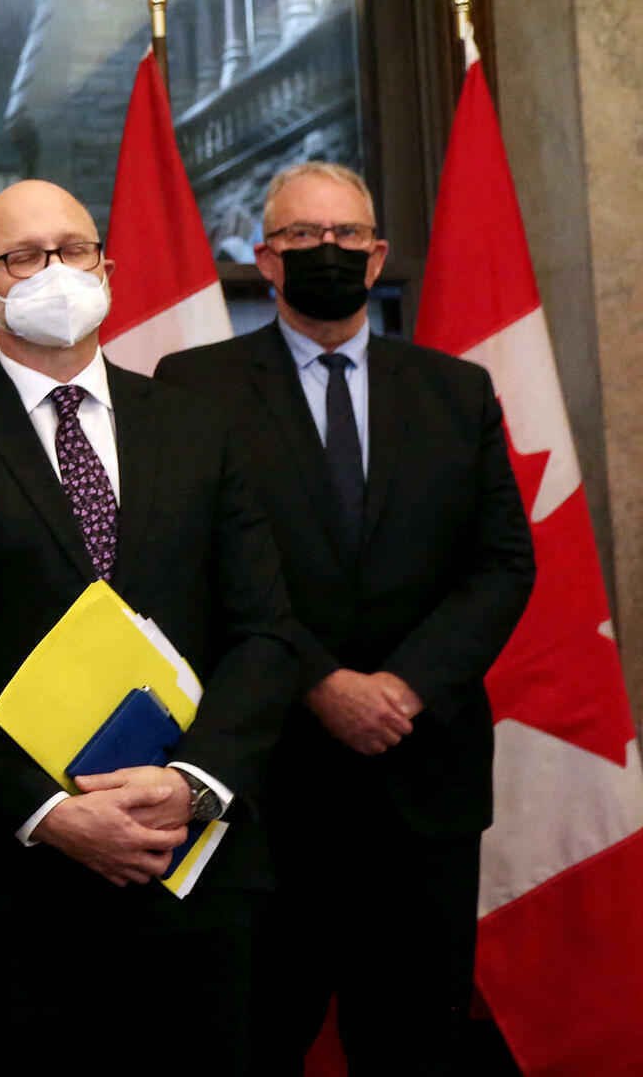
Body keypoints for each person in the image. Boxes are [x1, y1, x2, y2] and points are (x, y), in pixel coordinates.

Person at [0, 180, 299, 1074]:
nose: (55, 272)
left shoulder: (202, 428)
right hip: (10, 875)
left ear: (106, 265)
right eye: (22, 257)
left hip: (189, 857)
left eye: (73, 250)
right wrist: (53, 812)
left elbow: (265, 633)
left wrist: (192, 785)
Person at [155, 162, 532, 1074]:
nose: (327, 252)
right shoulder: (191, 388)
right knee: (249, 1041)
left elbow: (502, 564)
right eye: (301, 237)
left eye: (347, 236)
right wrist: (319, 681)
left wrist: (404, 686)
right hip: (265, 781)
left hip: (422, 778)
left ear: (379, 255)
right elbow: (197, 569)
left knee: (416, 1044)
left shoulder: (457, 393)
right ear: (264, 258)